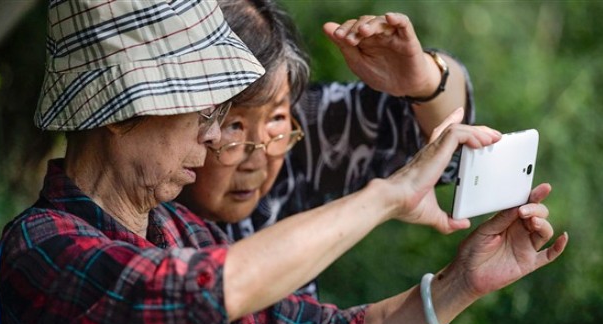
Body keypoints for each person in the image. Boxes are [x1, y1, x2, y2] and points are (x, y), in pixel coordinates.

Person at [0, 0, 568, 324]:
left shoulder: (183, 230)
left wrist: (459, 285)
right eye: (204, 111)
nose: (215, 138)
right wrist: (386, 197)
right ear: (121, 112)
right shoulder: (45, 248)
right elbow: (202, 296)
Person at [178, 0, 474, 295]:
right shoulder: (147, 221)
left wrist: (424, 81)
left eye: (277, 117)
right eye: (234, 125)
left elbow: (441, 145)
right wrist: (384, 199)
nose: (258, 156)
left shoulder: (302, 136)